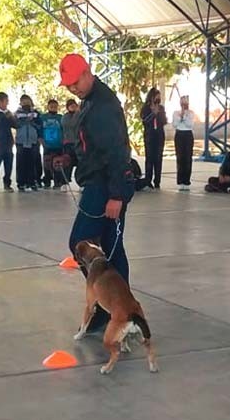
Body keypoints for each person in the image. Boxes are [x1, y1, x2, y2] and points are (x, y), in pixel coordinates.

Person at [61, 53, 135, 334]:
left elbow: (117, 152)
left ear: (87, 72)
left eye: (75, 82)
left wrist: (116, 195)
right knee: (107, 246)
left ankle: (114, 310)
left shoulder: (103, 106)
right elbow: (92, 145)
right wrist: (71, 156)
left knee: (85, 244)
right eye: (68, 85)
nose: (72, 88)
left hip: (107, 186)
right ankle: (113, 309)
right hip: (96, 181)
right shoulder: (91, 101)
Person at [141, 87, 167, 190]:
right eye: (157, 97)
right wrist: (153, 114)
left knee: (158, 158)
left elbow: (164, 121)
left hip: (159, 135)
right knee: (149, 158)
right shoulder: (145, 108)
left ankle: (157, 181)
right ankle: (148, 180)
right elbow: (145, 121)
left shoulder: (161, 108)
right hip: (150, 135)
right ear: (151, 97)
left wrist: (159, 113)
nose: (158, 99)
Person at [14, 94, 41, 192]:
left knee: (32, 162)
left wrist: (32, 121)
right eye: (23, 102)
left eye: (27, 101)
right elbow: (15, 125)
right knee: (21, 162)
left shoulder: (36, 113)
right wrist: (25, 121)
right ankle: (21, 183)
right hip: (21, 141)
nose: (25, 103)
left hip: (33, 141)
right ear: (20, 103)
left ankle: (32, 182)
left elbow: (39, 125)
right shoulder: (17, 113)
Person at [40, 99, 68, 189]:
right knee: (47, 164)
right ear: (48, 107)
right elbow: (39, 130)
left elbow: (65, 130)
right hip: (47, 144)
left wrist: (64, 140)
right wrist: (41, 140)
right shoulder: (43, 117)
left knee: (58, 164)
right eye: (51, 106)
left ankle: (57, 182)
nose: (53, 108)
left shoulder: (61, 117)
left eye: (55, 107)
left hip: (58, 144)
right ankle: (47, 181)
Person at [173, 95, 195, 191]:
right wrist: (180, 117)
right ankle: (180, 180)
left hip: (188, 134)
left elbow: (190, 124)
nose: (184, 105)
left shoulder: (191, 113)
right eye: (182, 103)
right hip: (179, 134)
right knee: (180, 157)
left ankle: (187, 181)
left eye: (185, 103)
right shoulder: (175, 113)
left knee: (187, 157)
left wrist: (184, 117)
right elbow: (175, 124)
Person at [61, 99, 79, 184]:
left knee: (80, 164)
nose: (73, 107)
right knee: (67, 163)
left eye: (74, 105)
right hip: (68, 143)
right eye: (71, 106)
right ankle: (65, 182)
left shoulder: (81, 115)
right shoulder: (65, 117)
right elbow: (72, 124)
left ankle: (81, 183)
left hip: (79, 143)